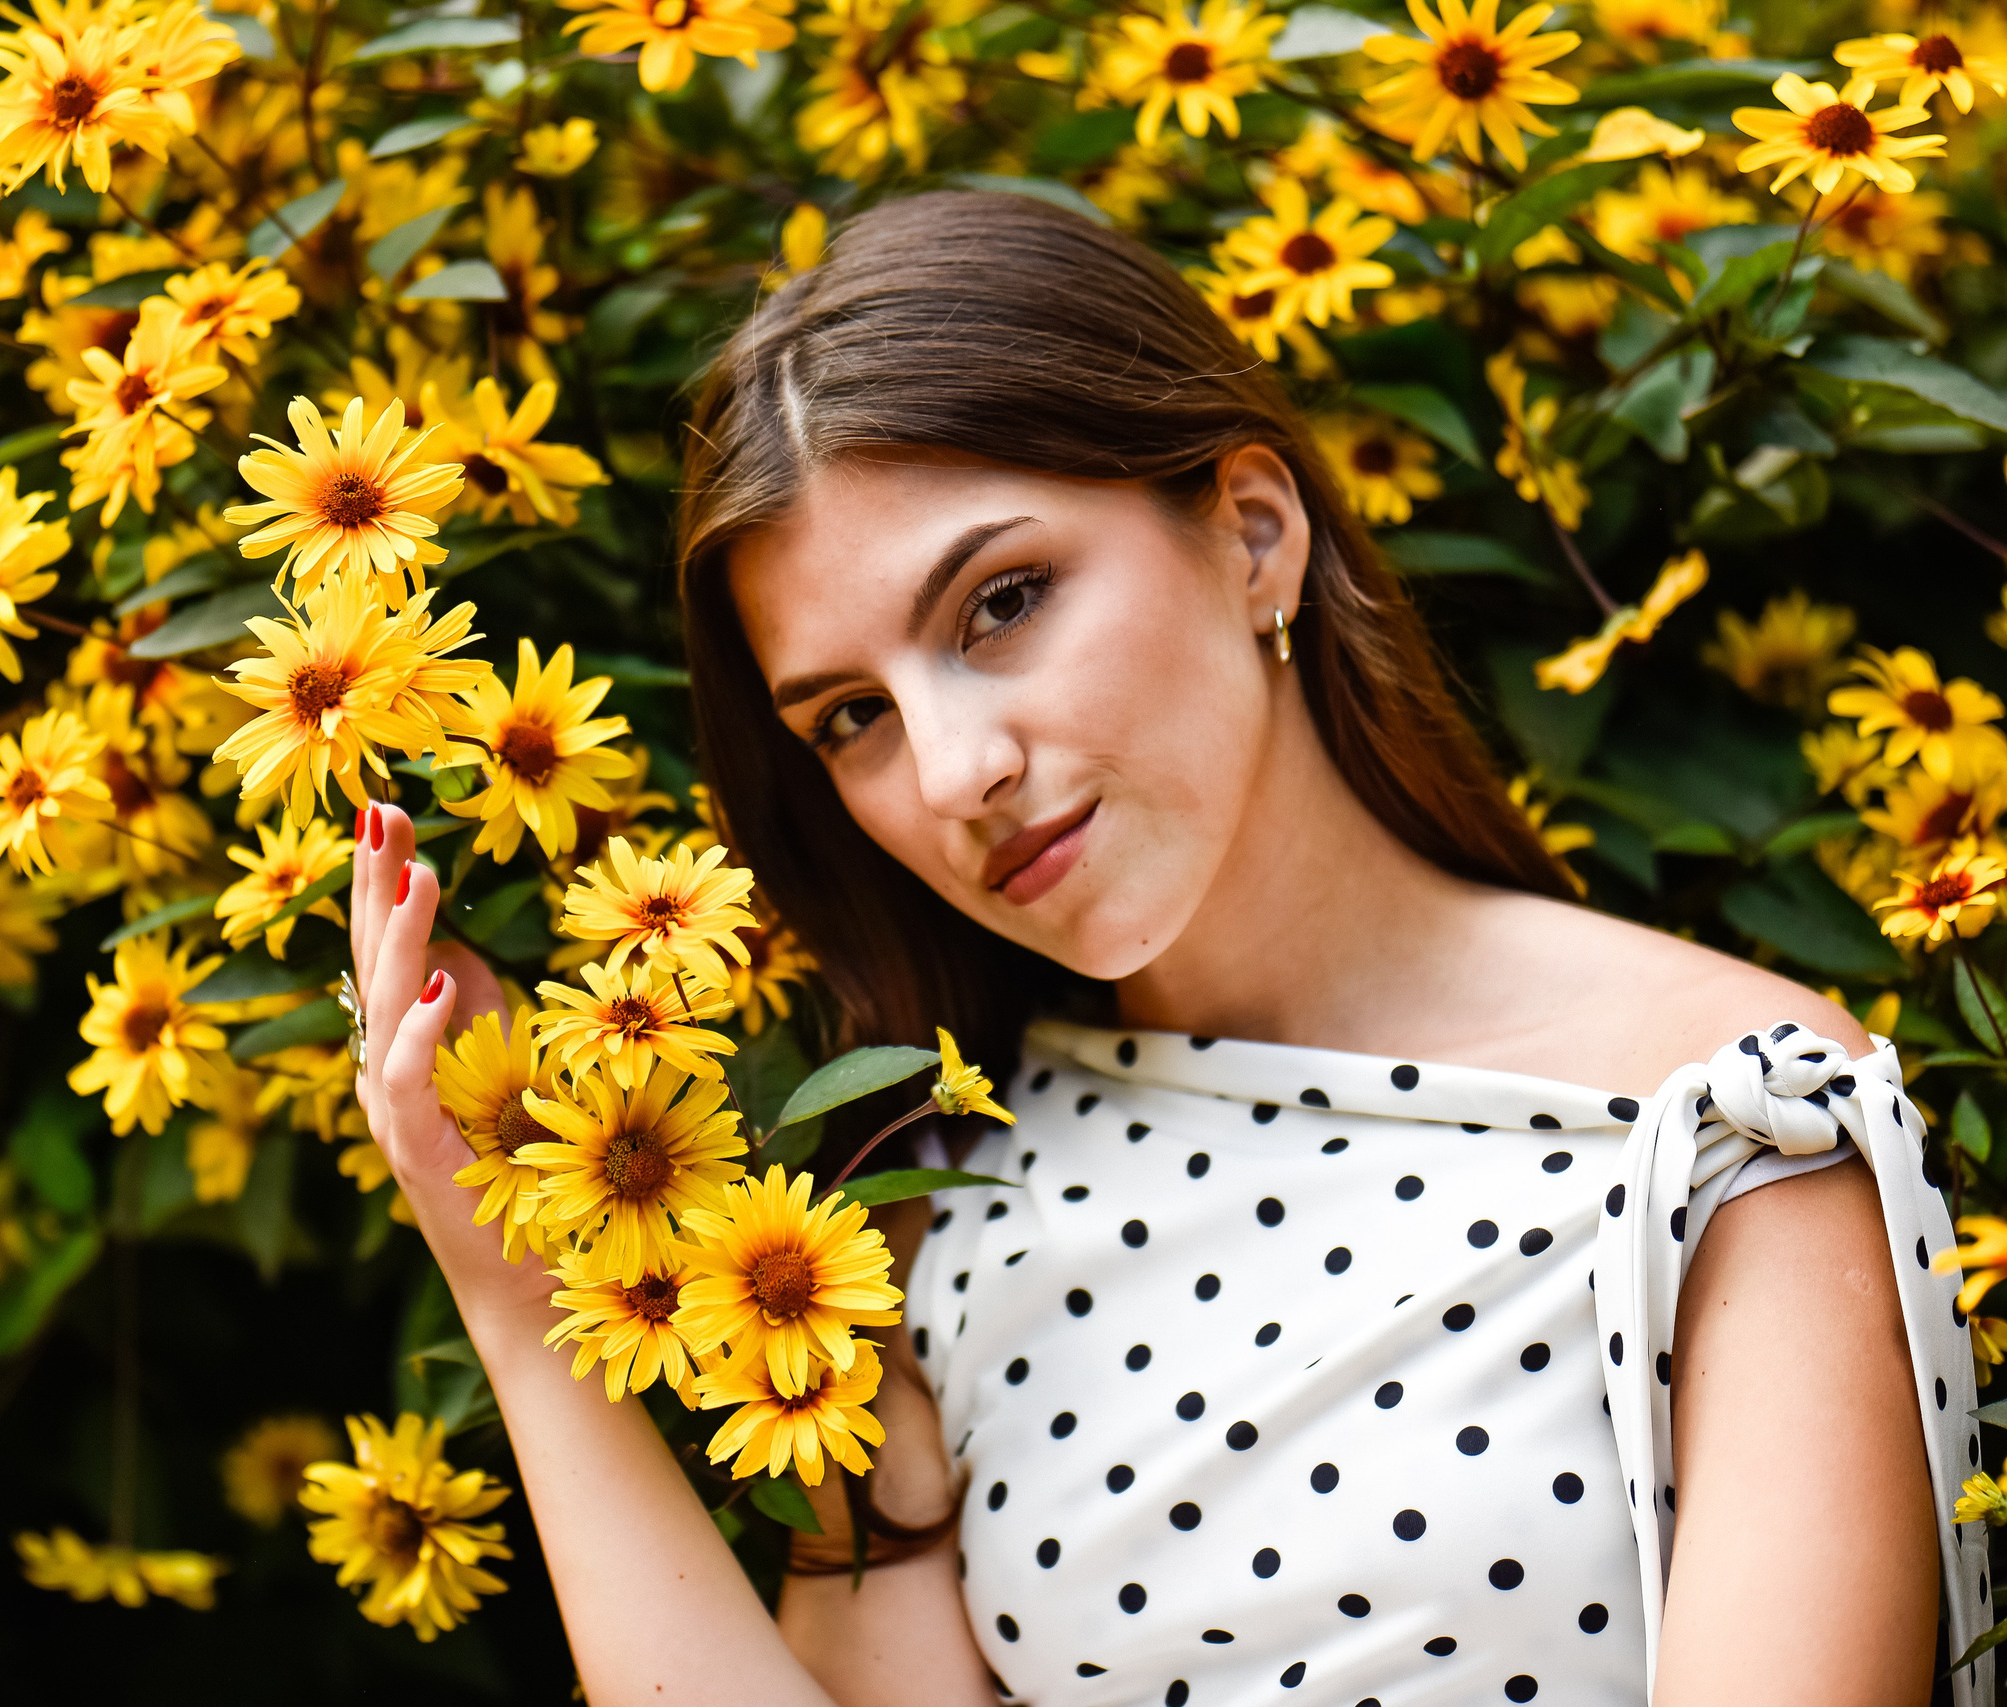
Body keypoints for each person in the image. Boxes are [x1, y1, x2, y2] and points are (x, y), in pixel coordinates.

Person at [346, 190, 1980, 1706]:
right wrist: (518, 1306)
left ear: (1253, 533)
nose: (950, 775)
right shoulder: (934, 1222)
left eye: (1000, 604)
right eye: (850, 717)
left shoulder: (1731, 1134)